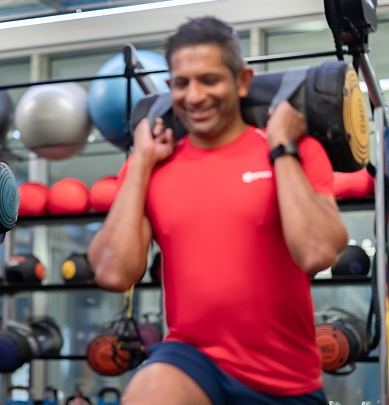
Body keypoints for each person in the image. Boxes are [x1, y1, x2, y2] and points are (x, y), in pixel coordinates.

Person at [87, 16, 348, 405]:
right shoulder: (151, 166)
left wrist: (282, 148)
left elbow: (317, 253)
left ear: (242, 81)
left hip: (286, 379)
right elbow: (112, 271)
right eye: (181, 83)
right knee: (150, 392)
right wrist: (140, 165)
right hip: (192, 363)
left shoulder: (292, 150)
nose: (194, 96)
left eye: (209, 80)